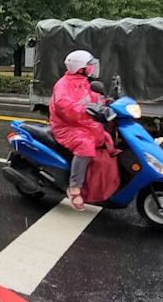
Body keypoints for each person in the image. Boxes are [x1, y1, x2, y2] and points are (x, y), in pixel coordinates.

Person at [49, 50, 108, 211]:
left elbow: (95, 97)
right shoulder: (63, 85)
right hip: (66, 126)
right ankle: (74, 187)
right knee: (85, 145)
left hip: (84, 123)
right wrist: (85, 111)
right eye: (89, 65)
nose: (92, 68)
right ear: (79, 67)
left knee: (108, 138)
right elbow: (63, 106)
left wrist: (106, 103)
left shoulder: (84, 82)